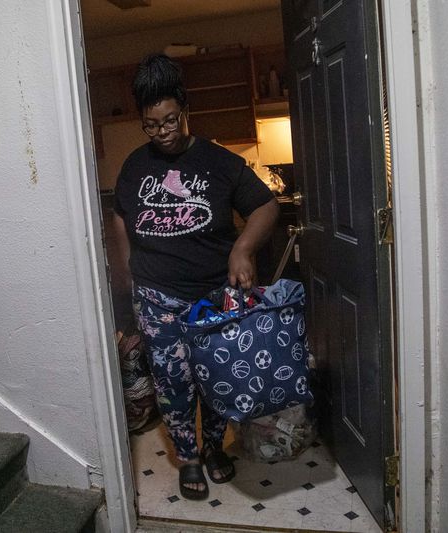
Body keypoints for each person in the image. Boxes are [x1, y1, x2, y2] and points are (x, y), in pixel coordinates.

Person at [112, 53, 279, 500]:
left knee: (214, 377)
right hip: (156, 298)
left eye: (169, 120)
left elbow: (266, 206)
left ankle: (212, 448)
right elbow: (121, 216)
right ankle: (187, 458)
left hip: (213, 295)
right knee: (172, 383)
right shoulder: (134, 166)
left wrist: (242, 249)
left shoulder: (219, 162)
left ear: (184, 110)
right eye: (151, 124)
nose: (162, 132)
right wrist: (125, 266)